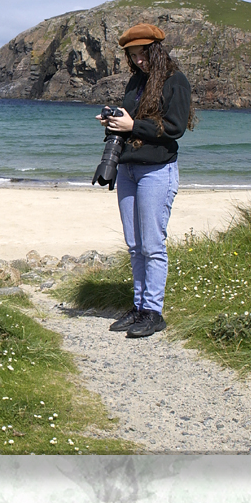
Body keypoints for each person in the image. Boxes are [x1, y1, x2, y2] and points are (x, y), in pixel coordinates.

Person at [96, 23, 196, 338]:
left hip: (156, 171)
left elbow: (174, 127)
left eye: (143, 55)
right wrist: (114, 121)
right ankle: (139, 307)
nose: (139, 61)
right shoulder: (136, 82)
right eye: (134, 56)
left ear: (156, 50)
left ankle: (153, 312)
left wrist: (132, 125)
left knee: (152, 246)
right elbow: (132, 122)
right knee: (135, 245)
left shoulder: (175, 82)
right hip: (128, 170)